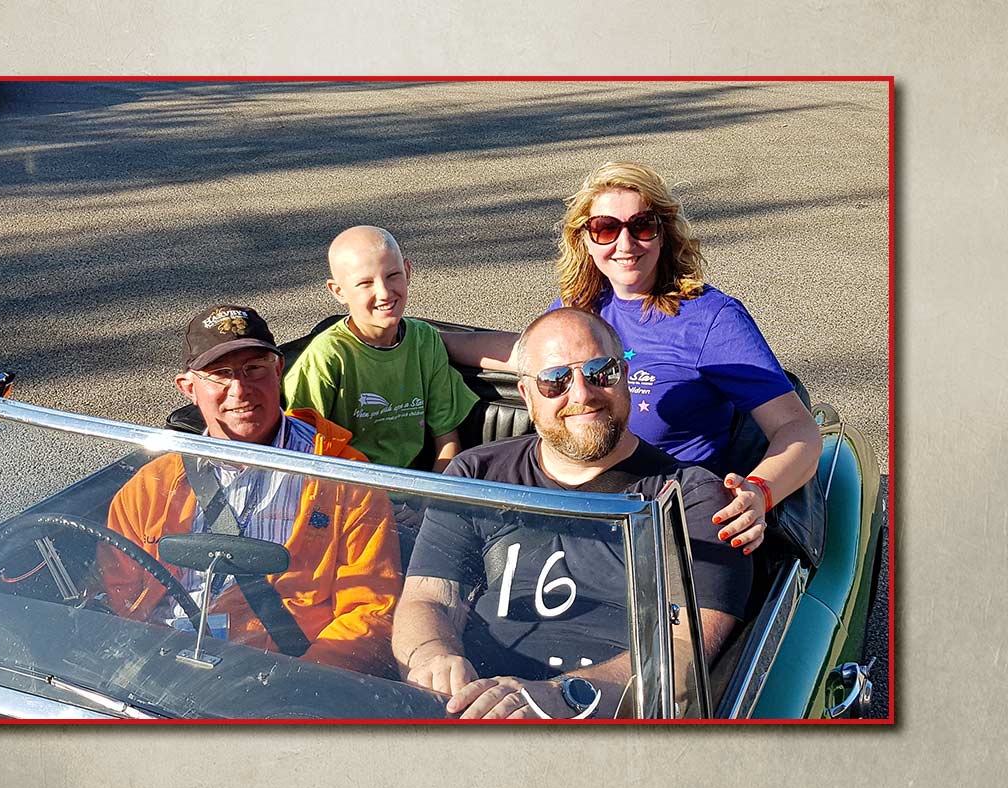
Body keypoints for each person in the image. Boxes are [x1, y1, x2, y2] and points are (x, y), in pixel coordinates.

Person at [440, 161, 822, 555]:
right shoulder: (582, 306)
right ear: (584, 240)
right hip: (577, 508)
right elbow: (525, 352)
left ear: (663, 233)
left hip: (665, 519)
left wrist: (759, 492)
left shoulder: (711, 319)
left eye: (641, 226)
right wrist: (427, 339)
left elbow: (798, 429)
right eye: (605, 229)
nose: (625, 245)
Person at [392, 308, 753, 718]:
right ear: (527, 396)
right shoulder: (477, 475)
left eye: (601, 372)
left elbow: (685, 650)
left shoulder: (690, 498)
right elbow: (429, 599)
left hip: (603, 728)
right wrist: (433, 659)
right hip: (468, 708)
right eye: (555, 381)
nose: (581, 394)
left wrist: (565, 697)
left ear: (626, 380)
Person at [98, 304, 403, 677]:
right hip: (165, 672)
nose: (240, 390)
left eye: (253, 369)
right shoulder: (150, 486)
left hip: (284, 674)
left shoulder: (346, 478)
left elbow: (371, 608)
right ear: (189, 388)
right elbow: (122, 597)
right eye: (220, 375)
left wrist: (304, 681)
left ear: (278, 370)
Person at [282, 225, 479, 472]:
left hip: (417, 493)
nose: (384, 292)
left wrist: (432, 504)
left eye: (392, 275)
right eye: (365, 283)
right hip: (350, 496)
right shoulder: (327, 357)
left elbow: (447, 439)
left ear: (408, 272)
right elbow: (302, 452)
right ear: (338, 291)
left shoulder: (424, 340)